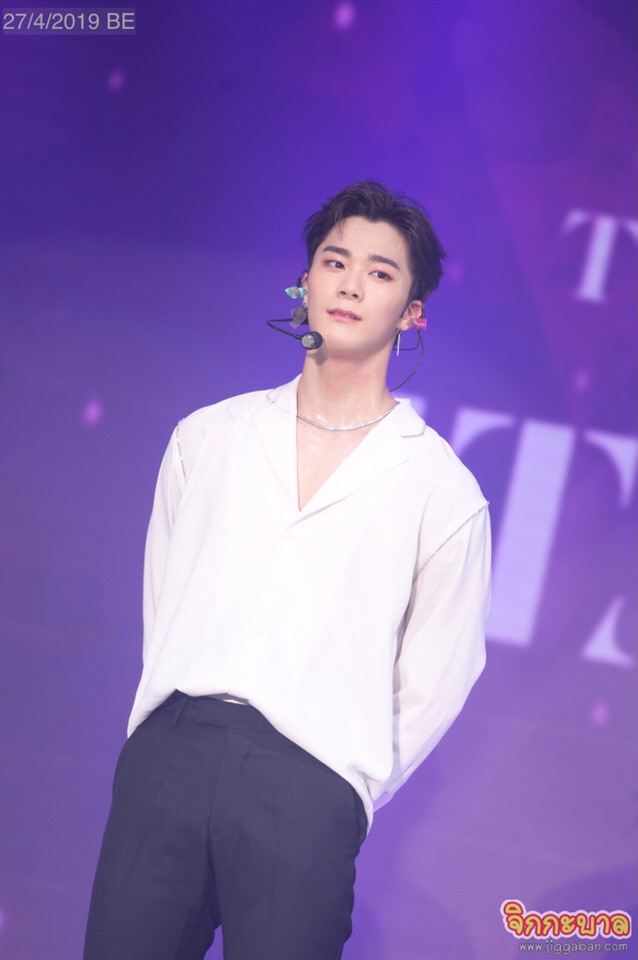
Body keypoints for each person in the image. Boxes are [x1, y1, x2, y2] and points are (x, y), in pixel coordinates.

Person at [84, 181, 491, 960]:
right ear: (304, 282)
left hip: (309, 788)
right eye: (335, 262)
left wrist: (343, 783)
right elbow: (166, 594)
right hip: (170, 757)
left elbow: (440, 673)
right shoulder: (210, 436)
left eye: (379, 272)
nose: (350, 284)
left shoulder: (440, 489)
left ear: (412, 313)